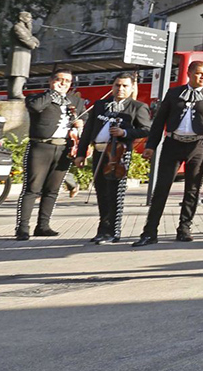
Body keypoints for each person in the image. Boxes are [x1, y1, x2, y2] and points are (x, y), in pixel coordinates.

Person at [133, 60, 203, 246]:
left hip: (199, 145)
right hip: (173, 143)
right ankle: (150, 231)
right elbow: (159, 121)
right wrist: (151, 145)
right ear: (189, 73)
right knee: (161, 188)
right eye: (199, 73)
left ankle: (184, 228)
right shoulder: (174, 93)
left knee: (192, 189)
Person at [77, 73, 152, 243]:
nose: (120, 89)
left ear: (132, 88)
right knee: (101, 193)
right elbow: (88, 130)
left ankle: (113, 231)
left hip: (119, 153)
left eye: (125, 86)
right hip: (99, 152)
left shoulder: (137, 107)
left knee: (115, 193)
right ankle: (102, 229)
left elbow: (147, 129)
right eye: (118, 85)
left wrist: (124, 132)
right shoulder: (101, 105)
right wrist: (81, 153)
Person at [15, 67, 85, 240]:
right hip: (40, 147)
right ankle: (22, 227)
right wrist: (53, 93)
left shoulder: (75, 101)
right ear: (51, 80)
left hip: (64, 148)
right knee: (32, 188)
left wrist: (81, 123)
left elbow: (85, 120)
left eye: (67, 81)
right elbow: (35, 107)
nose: (63, 84)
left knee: (52, 189)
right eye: (60, 80)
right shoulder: (37, 98)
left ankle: (43, 226)